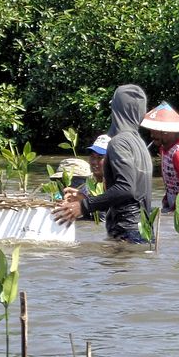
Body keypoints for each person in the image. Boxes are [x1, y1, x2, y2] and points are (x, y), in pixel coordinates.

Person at [53, 85, 153, 242]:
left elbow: (125, 189)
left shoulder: (119, 142)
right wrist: (83, 198)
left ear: (116, 110)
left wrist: (83, 206)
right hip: (141, 232)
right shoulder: (139, 144)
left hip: (126, 232)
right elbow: (129, 199)